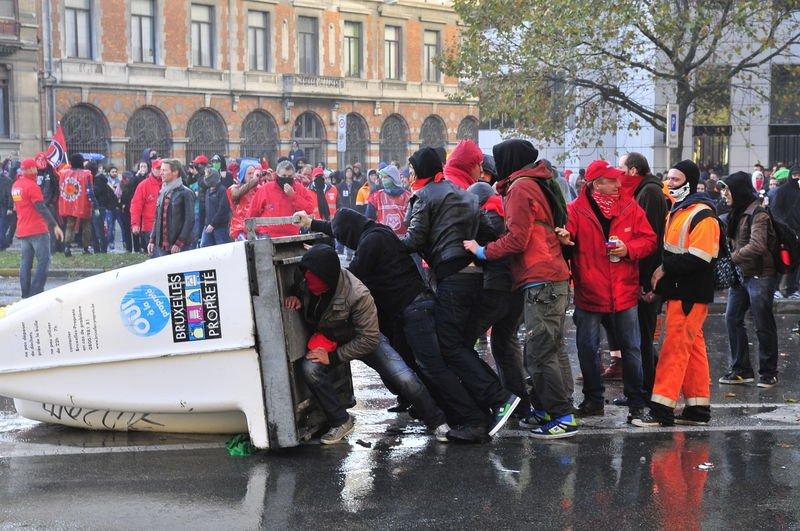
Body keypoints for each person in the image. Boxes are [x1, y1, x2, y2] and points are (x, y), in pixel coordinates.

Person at [404, 146, 520, 443]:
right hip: (474, 277)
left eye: (411, 170)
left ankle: (499, 398)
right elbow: (489, 233)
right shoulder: (465, 194)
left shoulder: (424, 196)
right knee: (459, 344)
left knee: (451, 346)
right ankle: (485, 405)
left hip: (451, 277)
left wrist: (380, 241)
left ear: (419, 172)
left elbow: (414, 239)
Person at [463, 139, 577, 439]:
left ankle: (563, 416)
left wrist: (482, 250)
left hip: (541, 277)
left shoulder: (520, 188)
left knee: (540, 353)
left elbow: (517, 239)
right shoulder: (535, 183)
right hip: (547, 276)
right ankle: (545, 408)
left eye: (499, 160)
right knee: (544, 349)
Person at [284, 244, 449, 444]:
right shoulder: (305, 281)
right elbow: (299, 288)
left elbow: (369, 338)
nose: (308, 285)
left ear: (328, 279)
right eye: (307, 281)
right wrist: (294, 296)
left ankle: (437, 422)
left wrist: (333, 357)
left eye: (313, 283)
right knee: (309, 368)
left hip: (364, 338)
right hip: (331, 338)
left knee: (404, 378)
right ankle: (341, 421)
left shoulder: (358, 294)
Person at [554, 159, 656, 423]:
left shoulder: (629, 206)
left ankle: (636, 401)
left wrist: (628, 250)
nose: (617, 182)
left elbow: (649, 241)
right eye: (611, 179)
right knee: (587, 348)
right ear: (596, 183)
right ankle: (593, 400)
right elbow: (568, 241)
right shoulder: (575, 210)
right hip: (590, 291)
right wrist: (565, 241)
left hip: (623, 291)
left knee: (632, 348)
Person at [635, 160, 720, 427]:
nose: (669, 184)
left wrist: (664, 270)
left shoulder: (702, 214)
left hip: (690, 294)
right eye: (668, 179)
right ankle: (697, 409)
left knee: (673, 350)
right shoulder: (679, 210)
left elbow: (700, 257)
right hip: (681, 292)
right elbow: (673, 252)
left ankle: (661, 411)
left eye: (675, 179)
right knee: (692, 349)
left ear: (690, 182)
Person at [464, 181, 530, 415]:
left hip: (498, 289)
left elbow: (488, 253)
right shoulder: (502, 211)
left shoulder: (489, 216)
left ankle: (496, 396)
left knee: (462, 342)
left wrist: (474, 251)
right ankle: (520, 404)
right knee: (504, 342)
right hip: (516, 287)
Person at [718, 172, 779, 388]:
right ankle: (741, 369)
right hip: (741, 275)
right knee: (732, 318)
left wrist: (730, 258)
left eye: (727, 190)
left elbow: (757, 245)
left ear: (739, 191)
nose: (724, 194)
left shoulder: (758, 214)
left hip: (761, 275)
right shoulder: (736, 212)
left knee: (763, 322)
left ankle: (768, 372)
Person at [617, 152, 670, 396]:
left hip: (647, 277)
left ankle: (647, 389)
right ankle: (645, 386)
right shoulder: (645, 190)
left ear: (633, 170)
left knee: (643, 337)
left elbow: (650, 240)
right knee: (640, 336)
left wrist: (646, 281)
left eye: (621, 168)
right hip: (645, 275)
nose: (619, 173)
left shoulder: (648, 193)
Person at [12, 158, 64, 297]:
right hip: (37, 229)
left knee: (25, 264)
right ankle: (36, 293)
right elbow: (41, 207)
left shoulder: (16, 185)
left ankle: (25, 295)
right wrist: (54, 226)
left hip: (23, 229)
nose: (37, 170)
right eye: (35, 168)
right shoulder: (32, 186)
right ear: (29, 169)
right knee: (44, 261)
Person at [247, 160, 315, 238]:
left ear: (293, 176)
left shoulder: (299, 188)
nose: (286, 179)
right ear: (277, 175)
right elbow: (251, 214)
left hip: (292, 236)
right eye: (283, 176)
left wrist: (293, 196)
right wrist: (260, 230)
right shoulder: (265, 189)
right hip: (267, 235)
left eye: (289, 176)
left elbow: (309, 209)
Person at [147, 159, 194, 257]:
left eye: (164, 170)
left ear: (175, 172)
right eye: (161, 170)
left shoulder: (186, 193)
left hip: (178, 246)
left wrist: (179, 242)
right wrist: (152, 239)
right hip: (162, 246)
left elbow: (189, 220)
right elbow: (158, 218)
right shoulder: (163, 192)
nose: (161, 173)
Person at [771, 165, 800, 299]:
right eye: (795, 175)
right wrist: (783, 227)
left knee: (796, 261)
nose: (797, 178)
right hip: (785, 231)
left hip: (797, 231)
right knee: (782, 258)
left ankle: (793, 288)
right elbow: (775, 210)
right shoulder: (782, 191)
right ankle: (776, 288)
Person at [58, 153, 93, 256]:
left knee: (70, 225)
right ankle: (86, 248)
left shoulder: (63, 174)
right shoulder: (87, 174)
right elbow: (89, 190)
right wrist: (93, 203)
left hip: (69, 203)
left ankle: (67, 247)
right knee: (86, 225)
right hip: (83, 203)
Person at [366, 165, 412, 236]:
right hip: (382, 239)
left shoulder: (409, 197)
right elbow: (369, 219)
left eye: (385, 177)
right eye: (382, 177)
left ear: (393, 178)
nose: (383, 180)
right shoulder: (376, 196)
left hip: (404, 241)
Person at [228, 160, 266, 241]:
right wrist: (254, 181)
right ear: (242, 175)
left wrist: (270, 181)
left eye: (254, 173)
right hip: (240, 229)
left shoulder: (259, 188)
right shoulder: (234, 188)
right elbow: (236, 194)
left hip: (257, 228)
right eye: (249, 173)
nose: (252, 176)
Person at [130, 158, 162, 251]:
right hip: (150, 226)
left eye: (162, 169)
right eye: (158, 168)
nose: (160, 171)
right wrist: (135, 224)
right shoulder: (144, 185)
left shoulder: (167, 184)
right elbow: (136, 205)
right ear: (152, 169)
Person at [199, 168, 232, 247]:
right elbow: (205, 209)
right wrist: (206, 223)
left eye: (207, 176)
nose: (205, 178)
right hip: (208, 225)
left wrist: (213, 224)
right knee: (204, 246)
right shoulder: (207, 191)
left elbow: (223, 209)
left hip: (220, 227)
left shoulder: (222, 190)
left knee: (221, 249)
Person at [104, 166, 124, 251]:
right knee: (110, 227)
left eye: (115, 171)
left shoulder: (119, 182)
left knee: (122, 225)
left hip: (118, 207)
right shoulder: (106, 182)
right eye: (112, 172)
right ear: (109, 173)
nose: (114, 173)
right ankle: (111, 243)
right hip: (109, 207)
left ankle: (124, 242)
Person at [0, 164, 13, 250]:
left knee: (2, 228)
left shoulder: (7, 181)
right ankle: (3, 244)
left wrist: (10, 207)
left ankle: (2, 246)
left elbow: (10, 195)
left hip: (4, 207)